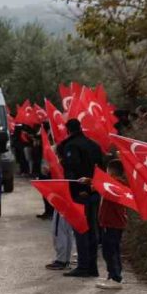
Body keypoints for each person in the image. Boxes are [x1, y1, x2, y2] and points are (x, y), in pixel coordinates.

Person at [57, 118, 105, 278]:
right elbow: (102, 168)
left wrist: (79, 190)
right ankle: (92, 267)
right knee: (93, 229)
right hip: (94, 190)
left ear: (68, 130)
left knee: (81, 229)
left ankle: (84, 266)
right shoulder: (94, 145)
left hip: (81, 193)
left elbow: (73, 170)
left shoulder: (72, 146)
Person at [93, 159, 128, 289]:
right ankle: (113, 275)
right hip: (112, 222)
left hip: (112, 222)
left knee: (110, 251)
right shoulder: (114, 184)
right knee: (113, 249)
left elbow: (106, 189)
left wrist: (96, 183)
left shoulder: (116, 184)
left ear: (111, 171)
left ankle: (115, 278)